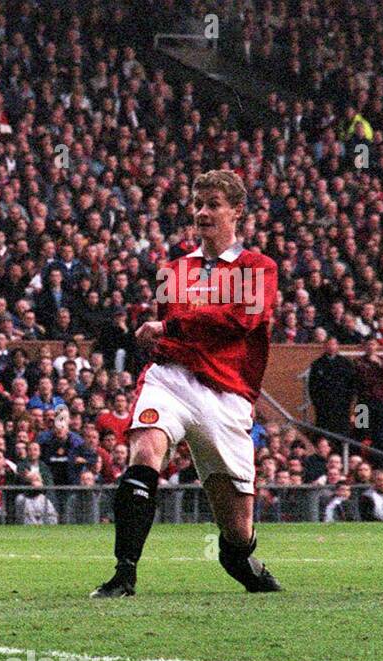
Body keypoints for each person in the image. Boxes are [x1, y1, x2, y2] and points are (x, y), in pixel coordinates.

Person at [93, 171, 282, 597]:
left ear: (237, 212)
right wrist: (164, 332)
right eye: (198, 203)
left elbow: (242, 320)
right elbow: (177, 332)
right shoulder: (172, 270)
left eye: (213, 203)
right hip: (172, 379)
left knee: (237, 528)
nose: (201, 211)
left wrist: (172, 323)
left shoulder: (259, 267)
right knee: (145, 451)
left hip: (227, 395)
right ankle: (125, 573)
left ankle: (239, 556)